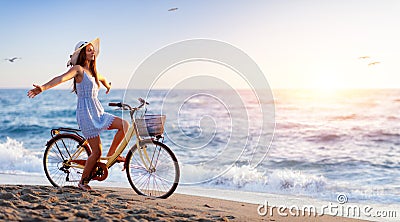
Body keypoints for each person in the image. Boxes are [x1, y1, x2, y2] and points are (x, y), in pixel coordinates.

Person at [27, 38, 129, 191]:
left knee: (124, 125)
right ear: (82, 54)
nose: (92, 51)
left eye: (92, 49)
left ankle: (111, 156)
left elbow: (103, 79)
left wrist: (108, 85)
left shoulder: (93, 72)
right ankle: (82, 182)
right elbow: (60, 79)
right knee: (96, 151)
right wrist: (43, 87)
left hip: (98, 112)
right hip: (86, 114)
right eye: (88, 50)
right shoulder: (78, 70)